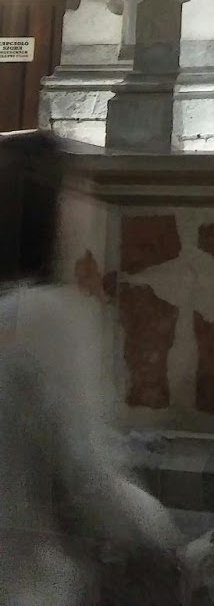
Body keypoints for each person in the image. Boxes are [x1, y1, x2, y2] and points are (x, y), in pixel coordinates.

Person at [0, 129, 183, 606]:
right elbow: (88, 474)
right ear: (47, 207)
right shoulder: (42, 319)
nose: (87, 204)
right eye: (75, 190)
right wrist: (162, 536)